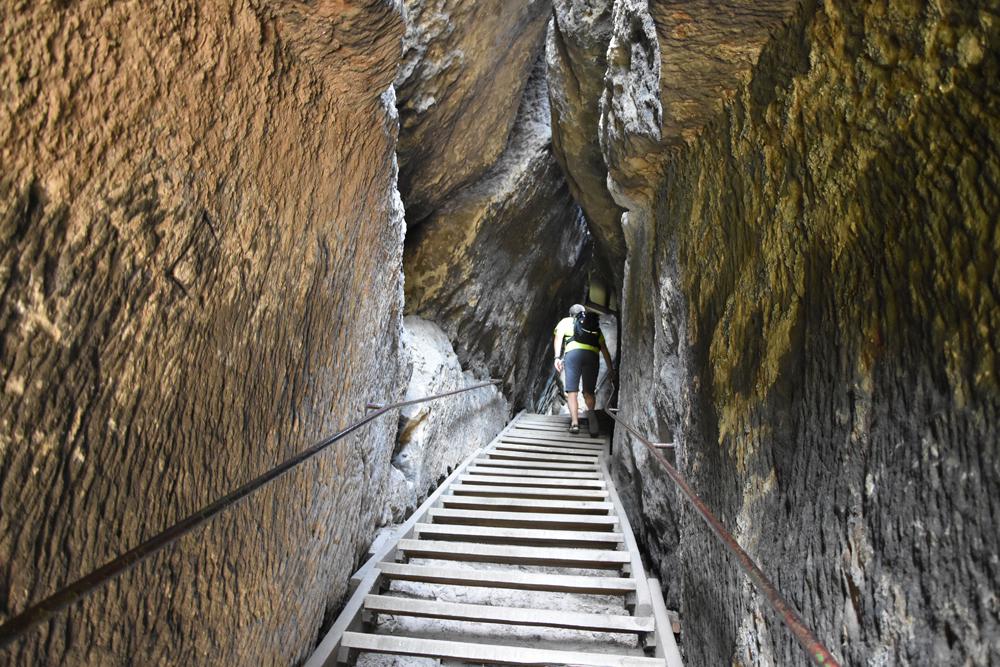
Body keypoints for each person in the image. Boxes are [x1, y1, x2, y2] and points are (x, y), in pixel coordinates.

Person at [553, 304, 615, 436]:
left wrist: (557, 357)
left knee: (572, 391)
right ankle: (592, 421)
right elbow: (603, 349)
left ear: (571, 314)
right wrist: (611, 369)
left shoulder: (566, 321)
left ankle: (575, 423)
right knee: (589, 392)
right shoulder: (593, 325)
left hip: (573, 356)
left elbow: (558, 337)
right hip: (592, 356)